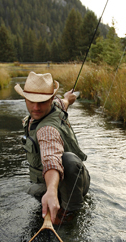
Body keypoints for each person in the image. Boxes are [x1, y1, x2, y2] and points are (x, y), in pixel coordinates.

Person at [15, 71, 90, 225]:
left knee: (66, 161)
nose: (36, 107)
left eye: (41, 101)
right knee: (32, 190)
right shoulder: (56, 105)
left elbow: (51, 158)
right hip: (59, 181)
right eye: (31, 100)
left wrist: (50, 192)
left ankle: (69, 213)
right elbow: (64, 102)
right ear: (25, 98)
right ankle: (53, 197)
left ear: (50, 99)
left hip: (75, 183)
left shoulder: (47, 129)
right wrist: (69, 98)